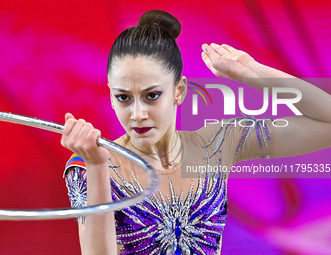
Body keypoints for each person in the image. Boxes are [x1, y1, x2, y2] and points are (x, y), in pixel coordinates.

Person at [61, 10, 331, 255]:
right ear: (110, 94)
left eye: (152, 95)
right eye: (123, 98)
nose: (137, 113)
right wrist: (97, 166)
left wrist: (252, 72)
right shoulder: (89, 165)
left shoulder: (218, 144)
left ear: (179, 90)